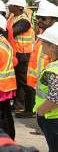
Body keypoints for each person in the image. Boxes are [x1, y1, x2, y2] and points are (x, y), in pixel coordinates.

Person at [7, 0, 35, 118]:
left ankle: (29, 108)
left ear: (18, 7)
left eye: (11, 5)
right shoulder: (13, 17)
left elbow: (12, 32)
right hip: (16, 53)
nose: (8, 6)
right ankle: (19, 104)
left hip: (24, 54)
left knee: (25, 82)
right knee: (18, 81)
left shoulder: (24, 21)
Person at [33, 23, 58, 151]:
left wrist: (41, 112)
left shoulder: (53, 69)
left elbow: (55, 98)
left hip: (52, 118)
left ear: (52, 46)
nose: (41, 43)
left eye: (44, 41)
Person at [28, 2, 58, 90]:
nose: (39, 20)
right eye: (38, 17)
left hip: (47, 85)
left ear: (54, 20)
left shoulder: (54, 38)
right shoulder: (41, 34)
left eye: (43, 18)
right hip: (34, 84)